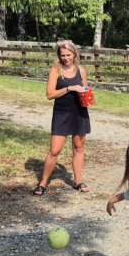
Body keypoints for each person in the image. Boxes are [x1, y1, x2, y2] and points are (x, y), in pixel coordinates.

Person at [36, 40, 91, 196]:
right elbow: (50, 95)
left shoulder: (81, 70)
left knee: (78, 148)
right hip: (62, 113)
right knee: (54, 151)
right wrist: (69, 88)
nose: (66, 58)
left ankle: (78, 181)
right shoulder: (55, 71)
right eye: (62, 55)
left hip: (80, 113)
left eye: (68, 55)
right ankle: (43, 182)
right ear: (59, 56)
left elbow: (85, 90)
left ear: (74, 54)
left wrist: (87, 94)